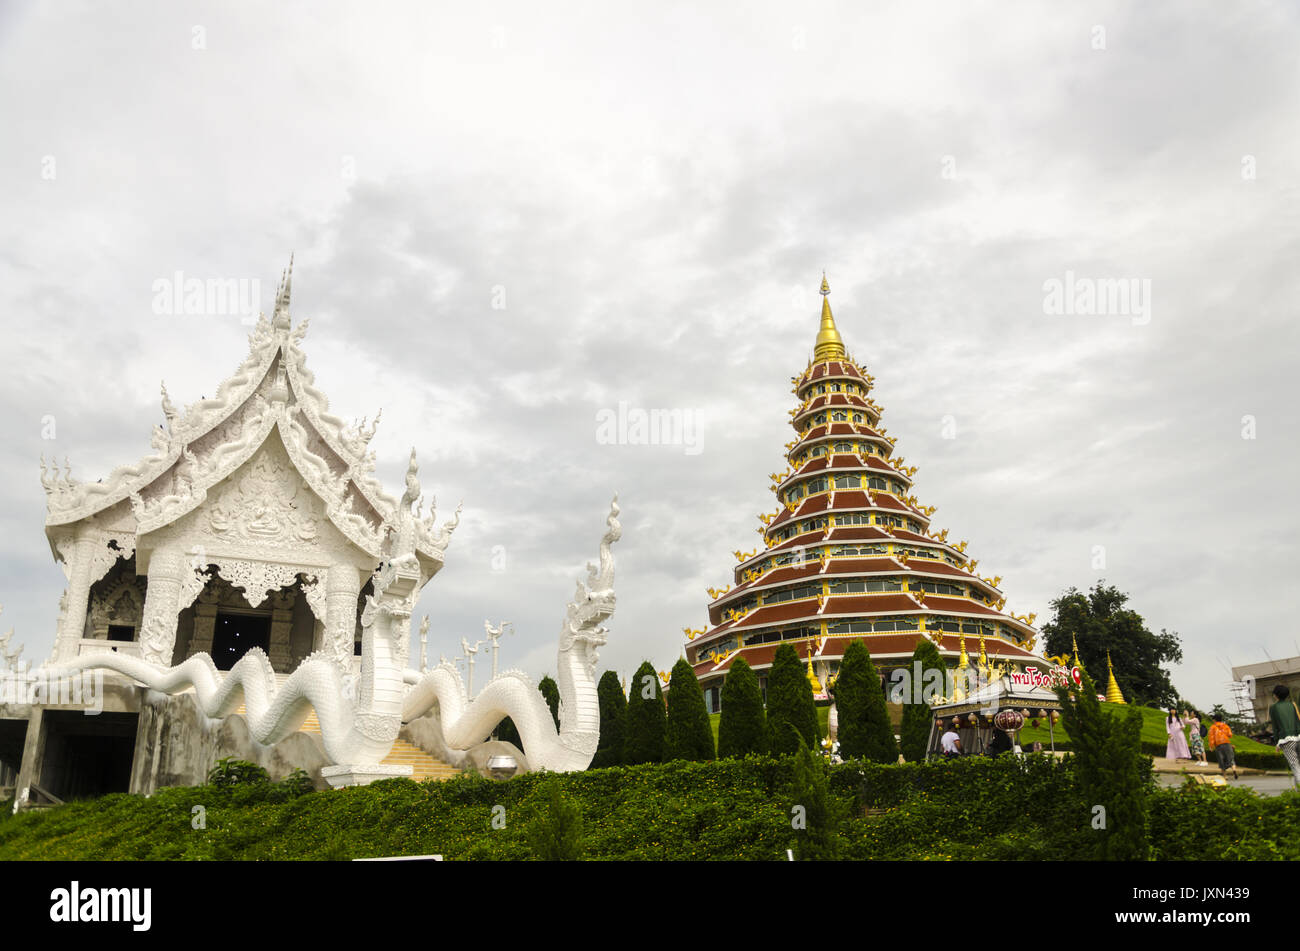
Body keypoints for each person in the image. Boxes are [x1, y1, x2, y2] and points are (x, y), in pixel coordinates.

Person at [1267, 685, 1300, 788]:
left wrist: (1277, 742)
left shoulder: (1273, 708)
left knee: (1295, 766)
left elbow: (1276, 727)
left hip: (1286, 740)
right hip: (1298, 736)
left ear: (1275, 695)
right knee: (1297, 765)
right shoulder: (1292, 704)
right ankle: (1297, 793)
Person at [1206, 714, 1237, 779]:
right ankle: (1234, 770)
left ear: (1214, 720)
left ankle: (1225, 776)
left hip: (1218, 745)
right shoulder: (1225, 726)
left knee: (1221, 760)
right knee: (1231, 759)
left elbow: (1211, 737)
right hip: (1227, 743)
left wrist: (1211, 746)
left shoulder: (1213, 727)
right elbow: (1230, 735)